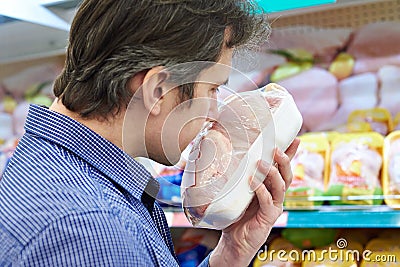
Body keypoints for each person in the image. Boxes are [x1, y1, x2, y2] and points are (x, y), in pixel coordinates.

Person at [0, 0, 299, 266]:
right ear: (157, 91)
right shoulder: (95, 231)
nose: (214, 111)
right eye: (212, 88)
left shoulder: (54, 172)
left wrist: (230, 255)